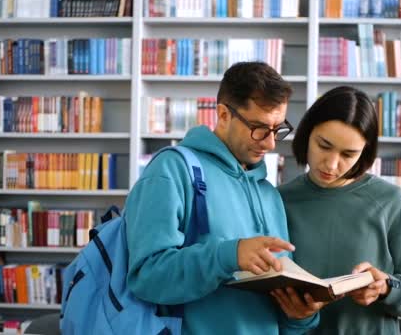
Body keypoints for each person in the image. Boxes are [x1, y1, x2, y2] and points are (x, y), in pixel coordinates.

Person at [124, 61, 323, 334]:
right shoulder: (172, 170)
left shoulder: (269, 194)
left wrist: (300, 317)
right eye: (259, 128)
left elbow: (277, 312)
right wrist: (228, 254)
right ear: (223, 114)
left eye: (278, 129)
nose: (270, 143)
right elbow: (147, 278)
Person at [278, 86, 401, 334]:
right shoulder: (279, 200)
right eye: (324, 145)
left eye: (348, 154)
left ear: (365, 153)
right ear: (307, 134)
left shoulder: (390, 201)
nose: (331, 164)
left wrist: (385, 288)